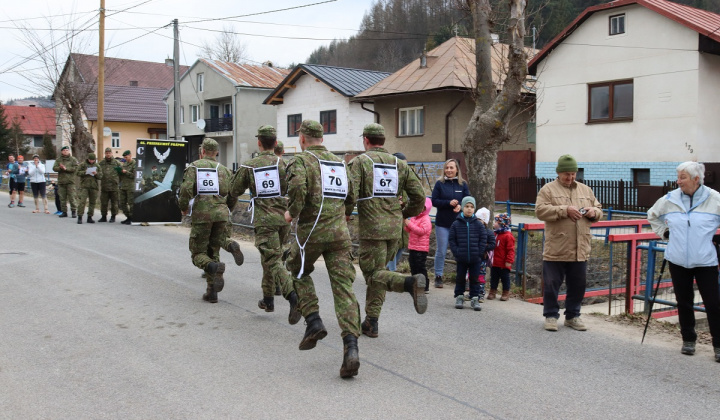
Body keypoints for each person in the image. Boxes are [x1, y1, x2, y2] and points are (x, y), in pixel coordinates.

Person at [284, 119, 361, 378]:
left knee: (296, 270)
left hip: (312, 232)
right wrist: (345, 215)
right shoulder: (339, 162)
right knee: (344, 289)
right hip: (340, 233)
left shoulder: (302, 161)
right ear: (323, 138)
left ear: (303, 139)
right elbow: (352, 195)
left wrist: (291, 212)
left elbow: (296, 187)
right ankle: (351, 347)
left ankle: (314, 321)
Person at [349, 123, 427, 339]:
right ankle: (371, 322)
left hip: (372, 229)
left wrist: (346, 212)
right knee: (379, 273)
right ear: (383, 141)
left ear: (365, 139)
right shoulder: (399, 164)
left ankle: (408, 283)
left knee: (374, 274)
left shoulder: (360, 162)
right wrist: (405, 212)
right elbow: (420, 195)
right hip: (394, 230)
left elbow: (350, 193)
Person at [647, 161, 720, 362]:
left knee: (713, 304)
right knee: (684, 302)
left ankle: (718, 344)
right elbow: (652, 215)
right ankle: (688, 339)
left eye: (683, 177)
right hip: (677, 259)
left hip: (705, 261)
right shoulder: (670, 199)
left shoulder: (714, 199)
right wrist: (664, 232)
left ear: (696, 179)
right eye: (678, 177)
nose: (678, 181)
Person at [228, 125, 300, 324]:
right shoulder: (285, 164)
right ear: (276, 143)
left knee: (272, 259)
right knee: (271, 259)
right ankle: (268, 299)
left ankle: (293, 295)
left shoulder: (250, 165)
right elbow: (294, 189)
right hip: (283, 219)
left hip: (265, 220)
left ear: (259, 142)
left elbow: (234, 190)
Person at [536, 154, 602, 332]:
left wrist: (593, 212)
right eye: (566, 174)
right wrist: (564, 210)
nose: (570, 177)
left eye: (573, 173)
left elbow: (599, 209)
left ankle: (573, 316)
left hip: (580, 247)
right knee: (551, 284)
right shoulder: (548, 189)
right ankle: (551, 315)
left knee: (578, 284)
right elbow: (540, 211)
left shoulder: (585, 190)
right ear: (558, 173)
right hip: (556, 247)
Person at [179, 138, 232, 303]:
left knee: (198, 253)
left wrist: (183, 207)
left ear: (202, 151)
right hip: (221, 214)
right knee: (213, 250)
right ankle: (212, 292)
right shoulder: (224, 170)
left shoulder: (194, 167)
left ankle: (213, 267)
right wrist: (227, 208)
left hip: (203, 213)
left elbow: (186, 189)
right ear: (216, 152)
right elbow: (232, 193)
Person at [431, 158, 470, 288]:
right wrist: (448, 203)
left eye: (451, 168)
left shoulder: (462, 184)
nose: (449, 170)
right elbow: (434, 201)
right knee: (441, 251)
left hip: (459, 223)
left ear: (457, 169)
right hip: (442, 223)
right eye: (447, 168)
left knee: (460, 251)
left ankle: (462, 277)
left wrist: (461, 206)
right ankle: (438, 276)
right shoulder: (439, 184)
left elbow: (468, 200)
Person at [449, 197, 487, 311]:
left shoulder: (479, 225)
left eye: (471, 207)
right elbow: (452, 239)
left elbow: (483, 239)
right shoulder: (456, 224)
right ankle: (459, 296)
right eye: (467, 206)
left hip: (475, 258)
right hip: (462, 257)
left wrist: (479, 253)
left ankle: (475, 297)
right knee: (460, 277)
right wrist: (457, 252)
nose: (469, 209)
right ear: (462, 208)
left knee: (475, 278)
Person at [404, 197, 433, 294]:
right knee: (413, 266)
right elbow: (410, 230)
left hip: (421, 248)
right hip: (413, 246)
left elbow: (421, 231)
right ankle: (415, 284)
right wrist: (406, 225)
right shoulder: (414, 217)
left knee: (420, 267)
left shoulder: (426, 219)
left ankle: (425, 285)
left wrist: (410, 225)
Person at [387, 151, 409, 272]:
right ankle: (392, 271)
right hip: (391, 217)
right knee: (393, 245)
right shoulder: (387, 178)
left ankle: (386, 268)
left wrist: (405, 204)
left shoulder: (406, 179)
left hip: (404, 216)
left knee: (402, 245)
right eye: (402, 164)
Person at [488, 213, 515, 301]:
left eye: (496, 222)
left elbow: (511, 250)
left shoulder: (508, 236)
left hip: (504, 263)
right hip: (495, 262)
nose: (494, 223)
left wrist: (509, 260)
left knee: (505, 278)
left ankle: (505, 292)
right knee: (494, 278)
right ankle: (492, 291)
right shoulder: (495, 234)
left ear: (501, 223)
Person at [474, 207, 495, 301]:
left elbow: (492, 244)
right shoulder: (473, 230)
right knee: (472, 275)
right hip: (473, 257)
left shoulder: (489, 233)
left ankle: (481, 293)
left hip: (482, 258)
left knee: (481, 276)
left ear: (485, 222)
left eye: (481, 220)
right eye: (477, 219)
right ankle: (473, 292)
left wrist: (483, 247)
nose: (478, 222)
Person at [52, 146, 79, 218]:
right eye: (64, 150)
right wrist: (60, 168)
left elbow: (76, 168)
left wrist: (66, 169)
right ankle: (64, 212)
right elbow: (54, 168)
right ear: (61, 152)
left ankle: (73, 211)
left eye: (67, 150)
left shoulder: (73, 159)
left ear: (69, 151)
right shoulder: (59, 160)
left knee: (72, 197)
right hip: (61, 182)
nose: (65, 151)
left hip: (70, 181)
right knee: (62, 198)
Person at [76, 153, 101, 224]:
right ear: (88, 159)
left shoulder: (97, 166)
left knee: (92, 202)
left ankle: (90, 217)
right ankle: (80, 216)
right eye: (90, 160)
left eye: (93, 160)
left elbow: (101, 176)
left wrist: (96, 174)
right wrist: (85, 172)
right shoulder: (83, 165)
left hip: (93, 186)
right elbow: (77, 173)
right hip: (84, 186)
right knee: (82, 202)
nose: (91, 161)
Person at [97, 147, 121, 222]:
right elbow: (98, 171)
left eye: (109, 153)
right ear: (105, 154)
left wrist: (118, 182)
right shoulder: (101, 163)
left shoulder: (117, 163)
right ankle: (103, 216)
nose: (108, 154)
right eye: (107, 153)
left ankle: (113, 216)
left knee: (114, 203)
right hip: (104, 186)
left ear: (112, 153)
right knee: (104, 203)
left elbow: (121, 174)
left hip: (114, 186)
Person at [118, 150, 136, 225]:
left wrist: (126, 172)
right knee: (122, 203)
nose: (125, 158)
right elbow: (122, 175)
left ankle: (132, 218)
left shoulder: (134, 164)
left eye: (126, 157)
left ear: (130, 155)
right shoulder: (124, 164)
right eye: (124, 157)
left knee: (131, 203)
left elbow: (134, 175)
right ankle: (127, 217)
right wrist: (119, 171)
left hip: (130, 186)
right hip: (123, 186)